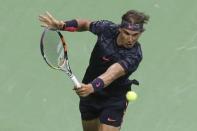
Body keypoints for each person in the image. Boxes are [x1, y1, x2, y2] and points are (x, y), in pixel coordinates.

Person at [39, 10, 149, 131]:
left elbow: (111, 74)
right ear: (120, 29)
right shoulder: (107, 29)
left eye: (135, 35)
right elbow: (85, 24)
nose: (130, 39)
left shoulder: (134, 56)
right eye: (127, 33)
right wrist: (63, 25)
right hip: (90, 95)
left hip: (113, 99)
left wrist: (91, 87)